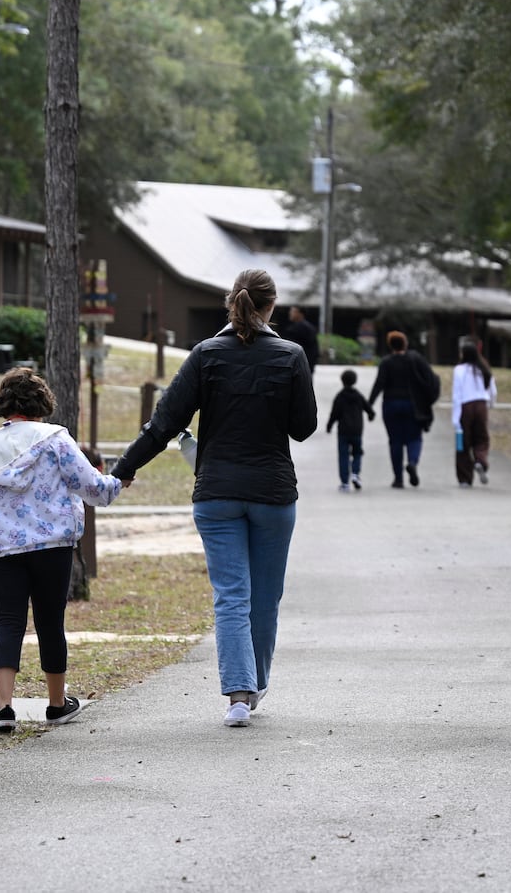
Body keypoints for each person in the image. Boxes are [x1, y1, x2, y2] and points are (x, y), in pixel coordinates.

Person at [111, 269, 317, 727]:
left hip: (217, 493)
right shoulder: (290, 356)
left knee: (231, 596)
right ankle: (255, 684)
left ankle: (239, 696)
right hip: (273, 493)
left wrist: (124, 469)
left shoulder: (206, 356)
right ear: (271, 306)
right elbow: (304, 428)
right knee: (265, 597)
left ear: (230, 303)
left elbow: (162, 423)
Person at [0, 367, 123, 734]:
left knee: (7, 621)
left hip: (2, 549)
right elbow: (91, 487)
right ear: (43, 403)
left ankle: (4, 708)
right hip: (51, 545)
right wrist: (117, 482)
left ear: (4, 404)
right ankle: (57, 704)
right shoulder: (56, 440)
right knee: (49, 621)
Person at [366, 330, 440, 489]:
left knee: (395, 442)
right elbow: (430, 379)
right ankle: (412, 462)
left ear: (390, 345)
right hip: (412, 405)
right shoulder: (415, 359)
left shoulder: (386, 362)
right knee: (415, 438)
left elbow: (379, 384)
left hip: (391, 405)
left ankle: (398, 479)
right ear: (405, 343)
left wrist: (369, 405)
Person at [451, 340, 498, 486]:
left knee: (463, 443)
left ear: (463, 354)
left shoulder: (459, 370)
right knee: (482, 439)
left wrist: (455, 418)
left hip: (466, 407)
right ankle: (480, 461)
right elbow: (493, 390)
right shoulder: (483, 368)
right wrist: (490, 404)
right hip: (481, 406)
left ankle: (465, 478)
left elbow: (456, 395)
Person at [326, 368, 375, 492]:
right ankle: (355, 473)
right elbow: (369, 409)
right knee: (357, 453)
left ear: (342, 381)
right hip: (357, 431)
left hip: (343, 431)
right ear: (355, 381)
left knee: (343, 456)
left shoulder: (340, 396)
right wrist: (370, 415)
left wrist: (329, 425)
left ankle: (344, 483)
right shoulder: (359, 396)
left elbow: (334, 413)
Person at [281, 305, 320, 372]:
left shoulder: (299, 328)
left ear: (300, 313)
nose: (290, 313)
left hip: (300, 364)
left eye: (293, 311)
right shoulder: (308, 327)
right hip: (305, 363)